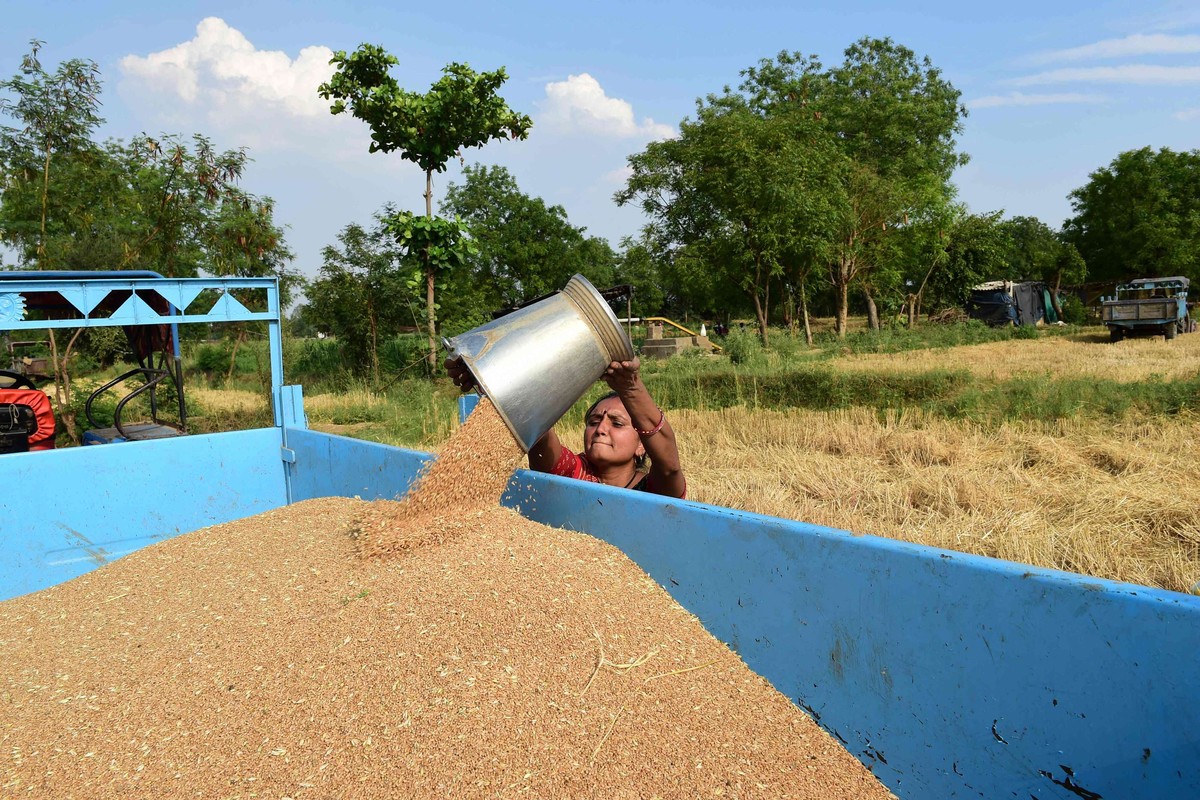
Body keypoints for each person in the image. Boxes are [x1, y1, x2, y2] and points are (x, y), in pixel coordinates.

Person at [445, 357, 686, 498]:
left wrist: (631, 388)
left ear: (642, 446)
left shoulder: (654, 490)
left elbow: (669, 465)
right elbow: (541, 438)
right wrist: (492, 378)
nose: (601, 428)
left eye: (617, 423)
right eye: (594, 421)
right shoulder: (575, 472)